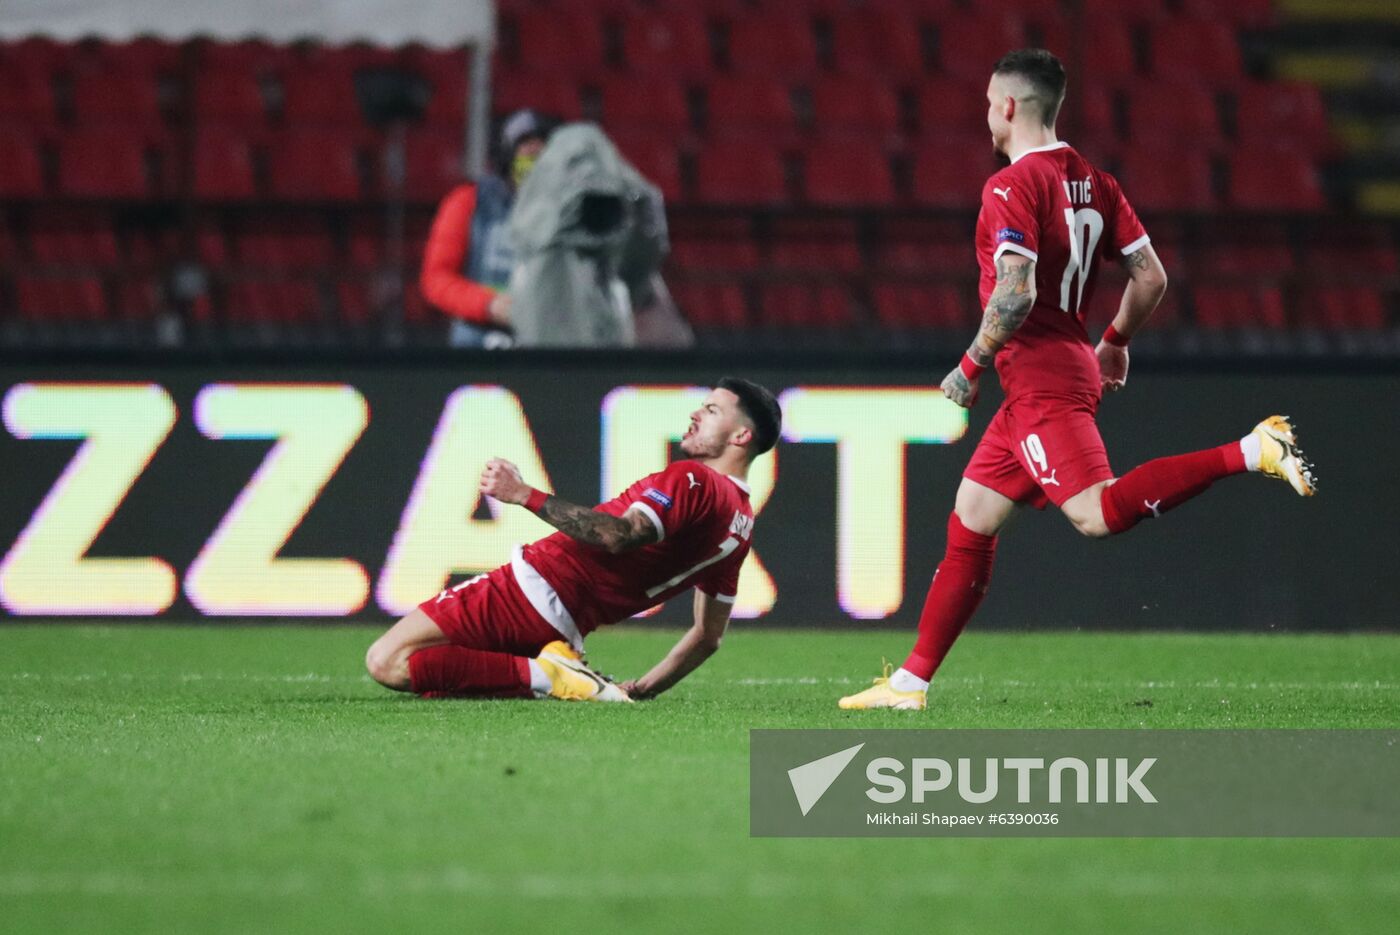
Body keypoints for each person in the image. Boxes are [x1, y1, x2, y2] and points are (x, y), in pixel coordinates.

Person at [839, 49, 1317, 711]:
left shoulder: (1010, 185)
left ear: (1007, 106)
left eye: (987, 103)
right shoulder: (1096, 181)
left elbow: (1016, 292)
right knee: (973, 515)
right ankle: (910, 682)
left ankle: (1252, 448)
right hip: (1062, 367)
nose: (986, 114)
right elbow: (1152, 277)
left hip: (1040, 379)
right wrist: (1114, 342)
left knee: (1095, 514)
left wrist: (969, 365)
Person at [365, 377, 782, 702]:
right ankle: (552, 673)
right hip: (564, 625)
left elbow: (621, 534)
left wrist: (523, 494)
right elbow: (708, 637)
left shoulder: (692, 479)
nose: (695, 413)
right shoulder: (740, 525)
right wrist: (642, 688)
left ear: (741, 436)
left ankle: (551, 676)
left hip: (531, 589)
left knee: (387, 661)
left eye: (711, 410)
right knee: (426, 670)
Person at [419, 108, 552, 348]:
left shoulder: (565, 210)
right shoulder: (467, 201)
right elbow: (436, 279)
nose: (535, 159)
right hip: (478, 346)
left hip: (544, 346)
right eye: (526, 149)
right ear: (506, 155)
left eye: (543, 150)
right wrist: (488, 305)